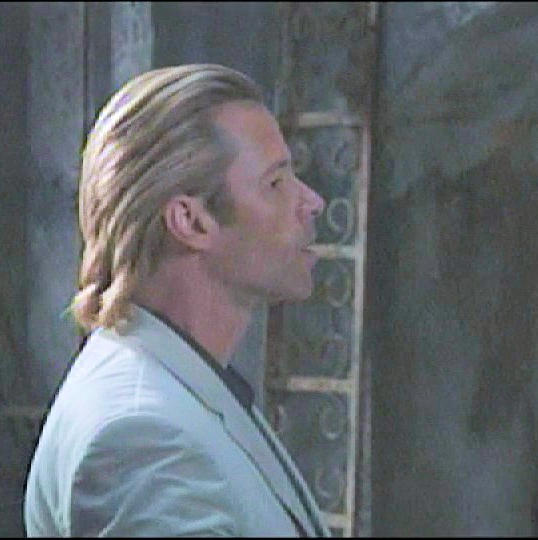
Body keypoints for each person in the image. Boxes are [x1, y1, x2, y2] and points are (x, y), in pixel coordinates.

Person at [24, 64, 330, 536]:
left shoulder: (187, 385)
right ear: (191, 221)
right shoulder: (141, 436)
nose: (311, 202)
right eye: (276, 183)